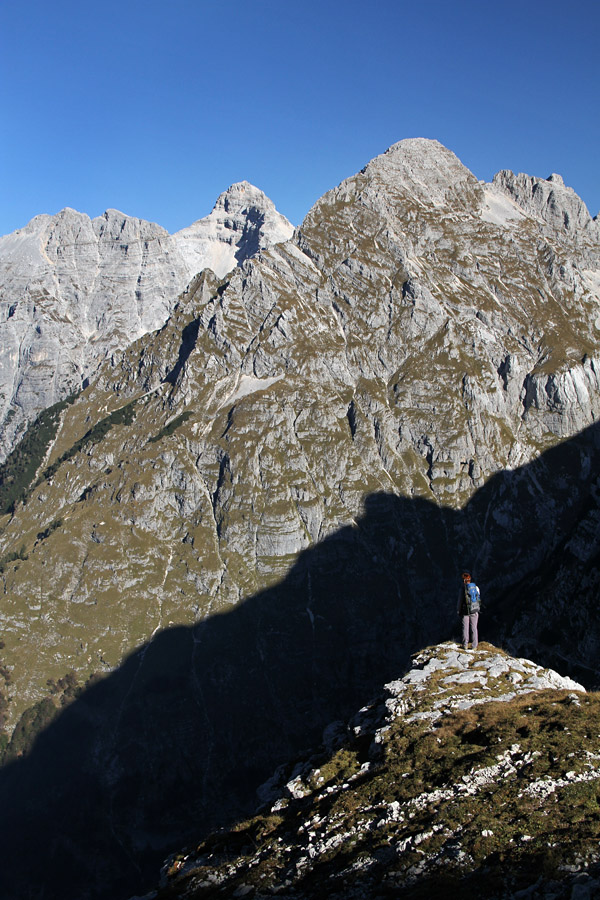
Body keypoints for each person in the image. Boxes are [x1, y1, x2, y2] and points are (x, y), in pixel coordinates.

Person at [457, 571, 481, 650]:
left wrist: (458, 610)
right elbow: (478, 599)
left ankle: (465, 644)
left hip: (465, 611)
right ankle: (474, 645)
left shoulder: (463, 589)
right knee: (474, 628)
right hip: (475, 610)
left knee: (465, 627)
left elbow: (460, 601)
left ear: (464, 580)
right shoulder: (476, 588)